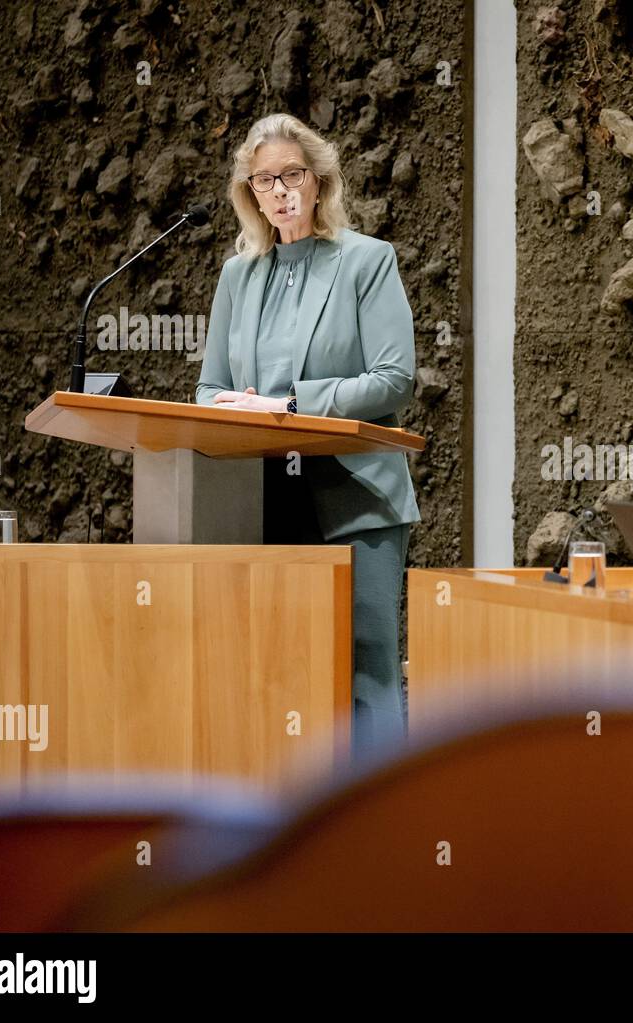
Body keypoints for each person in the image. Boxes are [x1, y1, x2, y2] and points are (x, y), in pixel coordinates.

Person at [195, 112, 420, 758]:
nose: (281, 190)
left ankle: (383, 823)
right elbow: (209, 390)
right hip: (264, 499)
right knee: (280, 664)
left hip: (356, 496)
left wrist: (292, 403)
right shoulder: (237, 277)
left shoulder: (366, 261)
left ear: (319, 181)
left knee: (365, 664)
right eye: (265, 180)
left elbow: (393, 377)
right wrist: (241, 407)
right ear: (251, 193)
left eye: (293, 174)